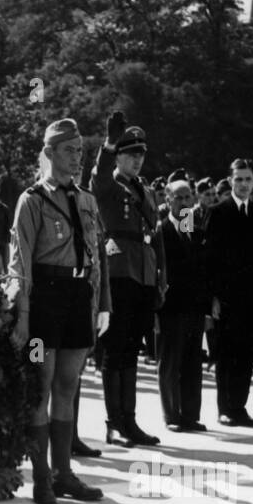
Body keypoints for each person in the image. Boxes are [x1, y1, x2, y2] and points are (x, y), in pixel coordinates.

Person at [9, 119, 109, 503]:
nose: (77, 157)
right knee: (40, 386)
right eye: (69, 150)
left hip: (78, 295)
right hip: (44, 300)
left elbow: (97, 258)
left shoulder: (87, 199)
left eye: (80, 150)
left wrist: (101, 306)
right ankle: (41, 478)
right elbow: (20, 263)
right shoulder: (32, 199)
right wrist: (22, 315)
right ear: (49, 153)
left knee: (68, 384)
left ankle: (65, 473)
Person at [88, 111, 164, 446]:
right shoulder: (109, 185)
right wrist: (107, 144)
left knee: (132, 349)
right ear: (118, 156)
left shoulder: (145, 190)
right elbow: (97, 177)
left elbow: (154, 234)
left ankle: (130, 421)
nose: (136, 160)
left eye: (140, 154)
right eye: (129, 154)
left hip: (144, 272)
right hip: (119, 272)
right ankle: (113, 423)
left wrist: (161, 278)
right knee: (116, 350)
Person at [204, 158, 253, 427]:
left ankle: (240, 406)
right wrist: (212, 297)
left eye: (248, 179)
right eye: (239, 179)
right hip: (226, 297)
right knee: (226, 353)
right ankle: (225, 407)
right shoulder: (218, 211)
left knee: (246, 353)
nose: (244, 184)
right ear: (231, 181)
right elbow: (209, 257)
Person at [156, 178, 210, 432]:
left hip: (194, 308)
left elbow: (203, 272)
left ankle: (190, 414)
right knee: (170, 363)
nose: (185, 202)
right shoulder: (160, 232)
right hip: (170, 309)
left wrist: (207, 308)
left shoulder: (197, 232)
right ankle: (172, 415)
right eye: (179, 197)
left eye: (188, 197)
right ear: (167, 201)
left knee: (192, 363)